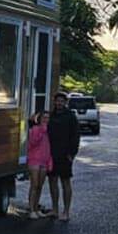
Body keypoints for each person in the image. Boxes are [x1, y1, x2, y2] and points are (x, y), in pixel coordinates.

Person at [46, 91, 80, 221]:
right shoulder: (50, 115)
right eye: (57, 101)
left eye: (61, 101)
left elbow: (76, 136)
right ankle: (54, 209)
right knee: (52, 181)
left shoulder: (71, 116)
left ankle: (66, 211)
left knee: (65, 182)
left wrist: (72, 153)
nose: (59, 103)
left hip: (65, 155)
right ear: (54, 102)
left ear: (65, 102)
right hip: (51, 154)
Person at [25, 110, 53, 219]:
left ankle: (36, 208)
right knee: (34, 185)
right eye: (44, 118)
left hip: (44, 160)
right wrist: (41, 130)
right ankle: (31, 209)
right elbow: (33, 143)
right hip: (34, 160)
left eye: (48, 118)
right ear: (39, 119)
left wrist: (50, 160)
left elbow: (49, 146)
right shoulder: (35, 129)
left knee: (40, 186)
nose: (46, 120)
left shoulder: (49, 131)